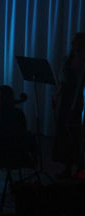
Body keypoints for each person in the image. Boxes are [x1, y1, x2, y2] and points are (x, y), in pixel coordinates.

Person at [53, 33, 85, 179]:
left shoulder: (82, 60)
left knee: (76, 135)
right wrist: (56, 96)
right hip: (66, 99)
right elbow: (61, 80)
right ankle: (67, 167)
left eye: (77, 42)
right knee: (64, 134)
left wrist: (75, 104)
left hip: (78, 100)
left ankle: (79, 167)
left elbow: (80, 85)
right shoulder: (68, 59)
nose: (74, 44)